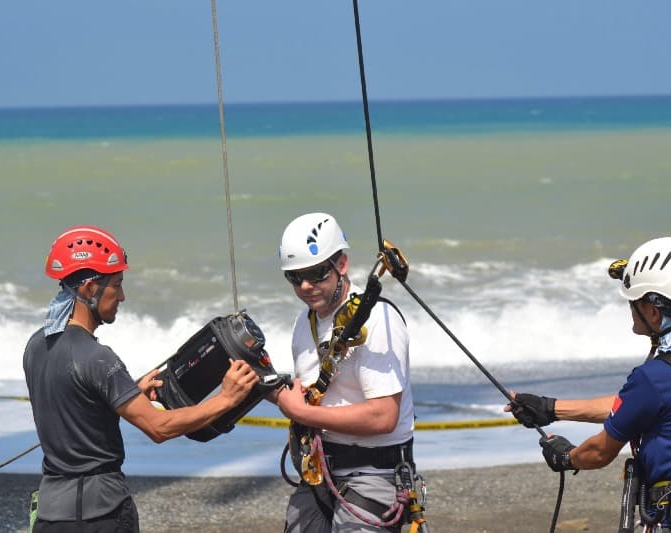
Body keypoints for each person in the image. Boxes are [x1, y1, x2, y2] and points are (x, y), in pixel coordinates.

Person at [23, 225, 259, 532]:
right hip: (100, 515)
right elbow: (158, 428)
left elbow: (74, 406)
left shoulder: (36, 345)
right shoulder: (97, 358)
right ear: (89, 289)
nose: (122, 296)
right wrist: (226, 399)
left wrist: (127, 391)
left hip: (50, 515)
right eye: (116, 285)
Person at [508, 237, 671, 530]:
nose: (630, 309)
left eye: (633, 302)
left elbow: (600, 452)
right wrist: (551, 408)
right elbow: (637, 406)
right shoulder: (658, 382)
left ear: (654, 312)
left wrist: (566, 457)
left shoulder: (654, 378)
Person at [272, 212, 416, 532]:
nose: (305, 286)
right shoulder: (304, 322)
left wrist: (300, 412)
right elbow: (316, 397)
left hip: (374, 472)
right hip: (320, 470)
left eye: (316, 273)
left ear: (342, 264)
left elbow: (383, 417)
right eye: (294, 277)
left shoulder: (377, 320)